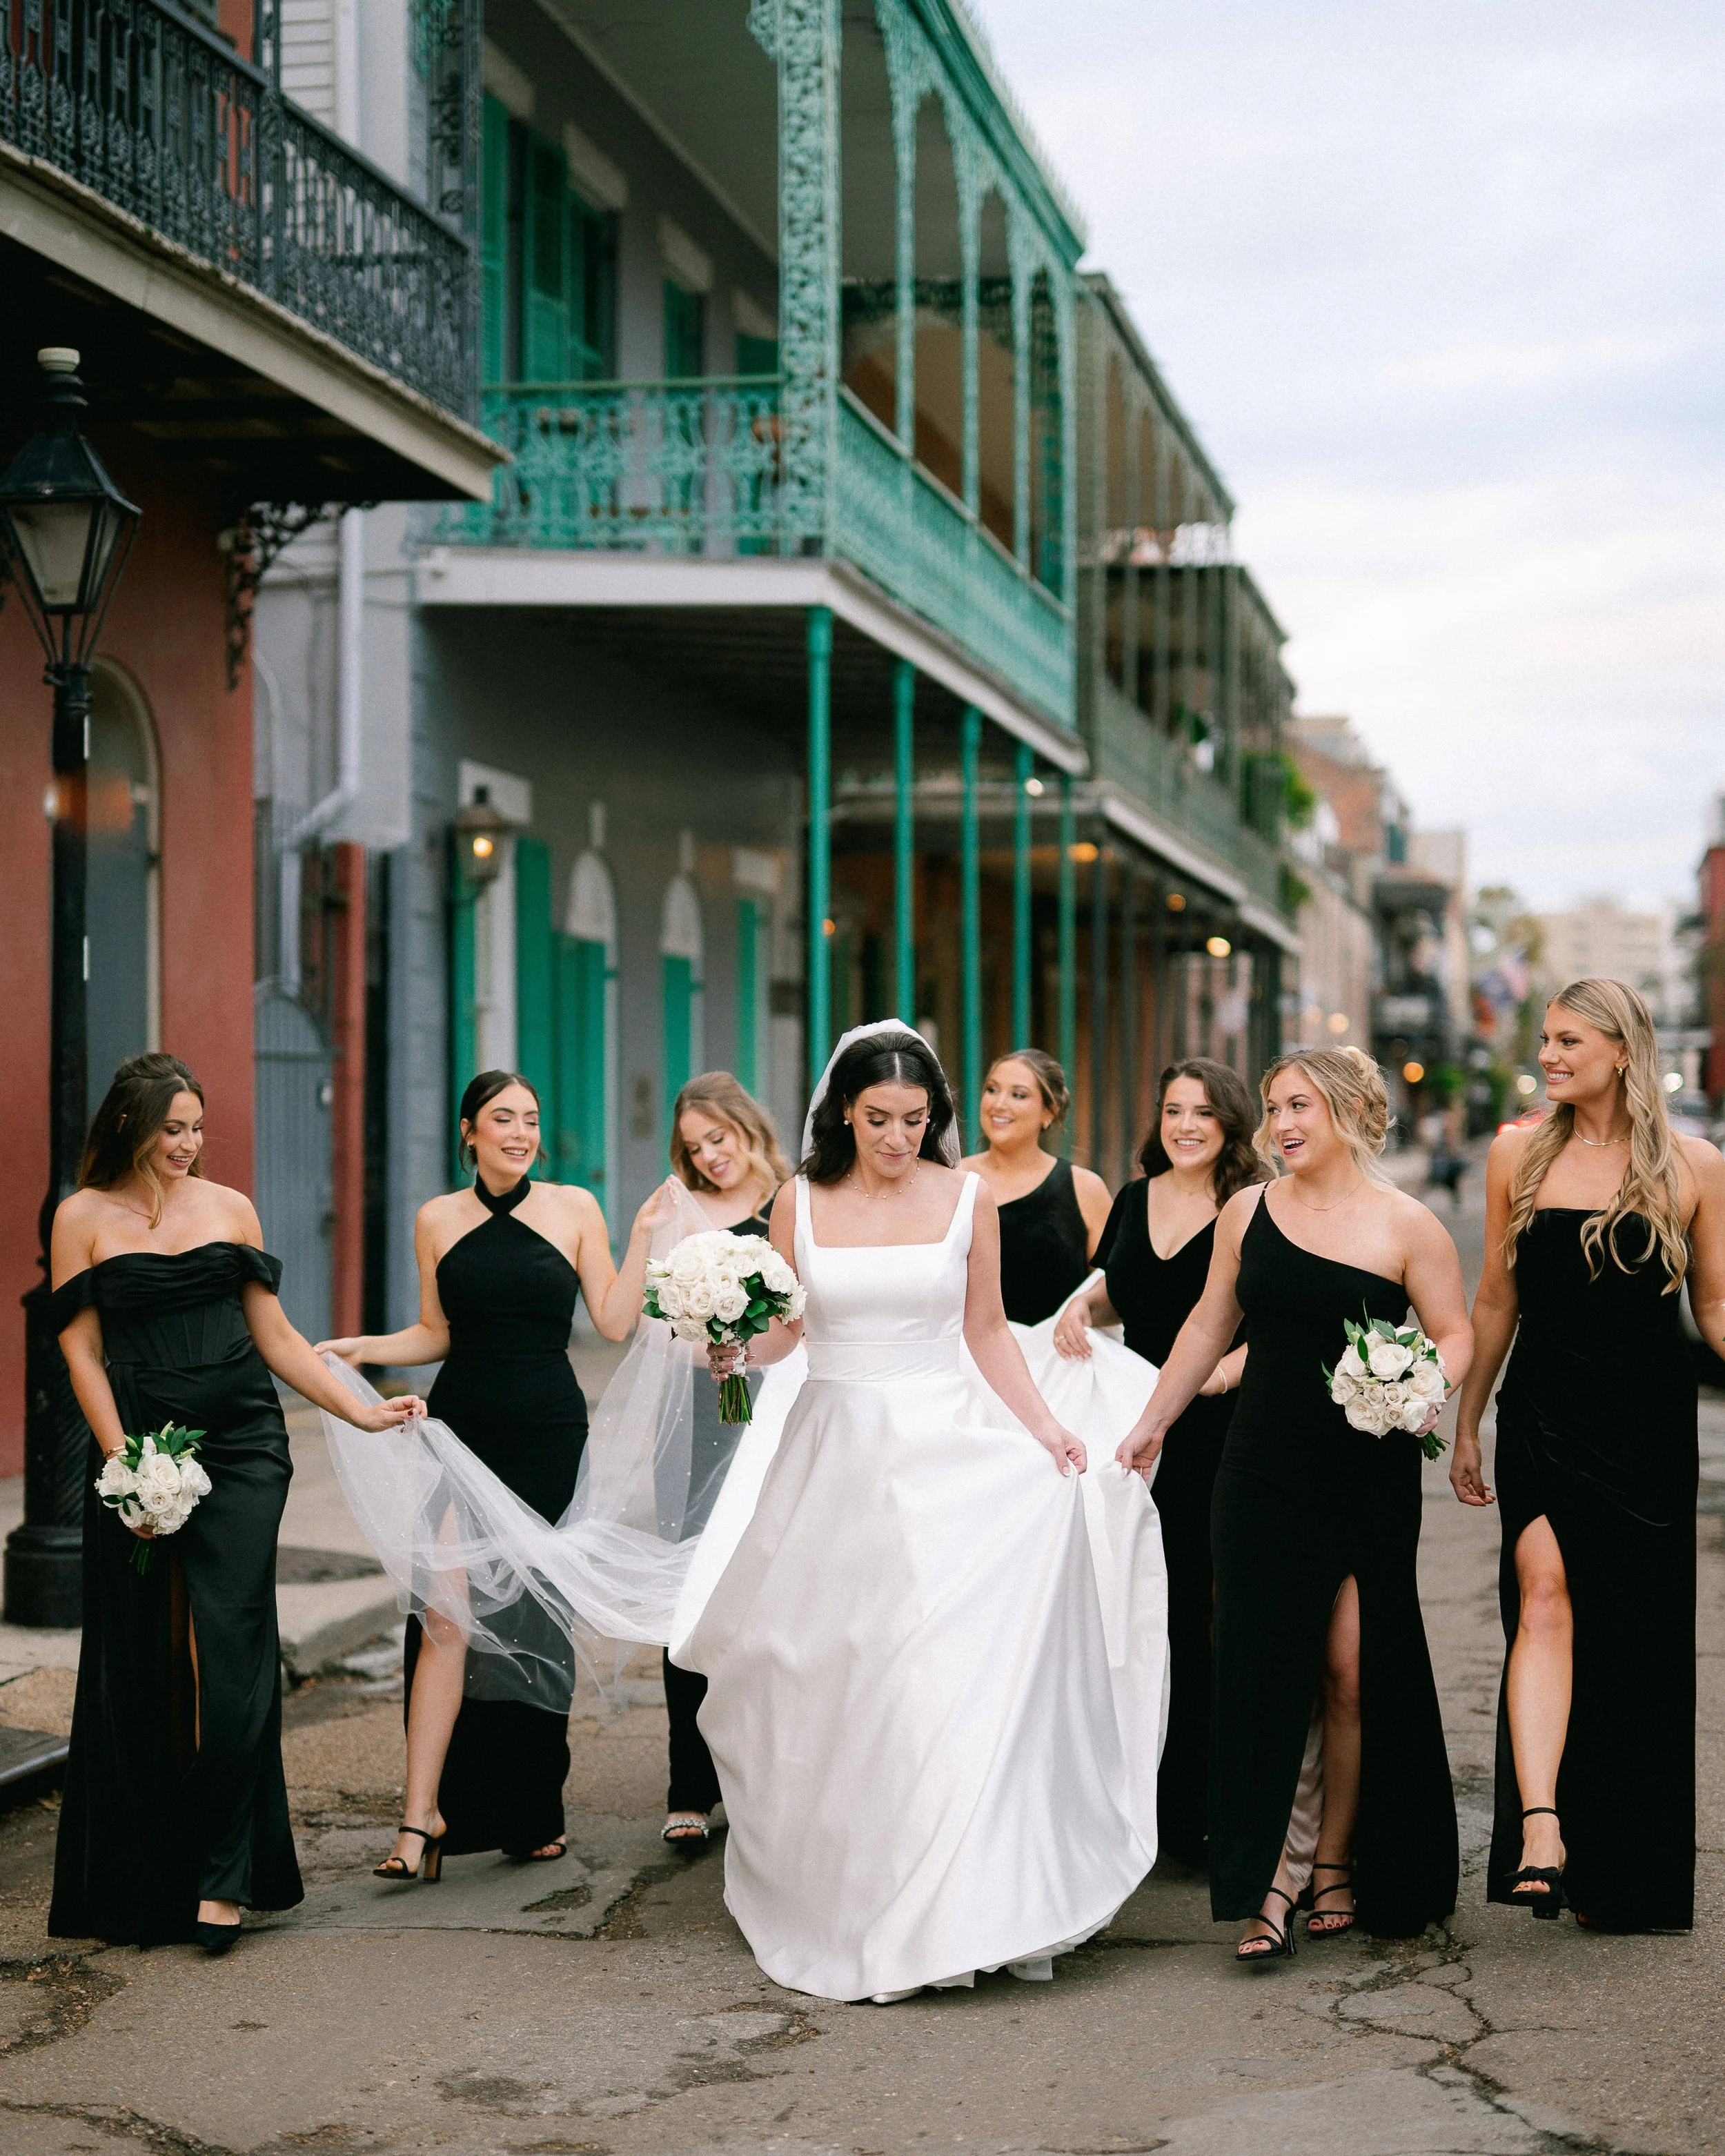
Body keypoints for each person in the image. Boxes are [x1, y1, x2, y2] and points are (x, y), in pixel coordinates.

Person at [680, 1024, 1167, 2004]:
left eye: (915, 1121)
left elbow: (985, 1329)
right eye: (878, 1121)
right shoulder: (799, 1202)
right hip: (835, 1454)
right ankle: (858, 1888)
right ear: (843, 1115)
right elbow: (787, 1334)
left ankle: (965, 1899)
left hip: (948, 1447)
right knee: (840, 1671)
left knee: (940, 1672)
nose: (898, 1139)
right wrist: (731, 1349)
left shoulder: (969, 1198)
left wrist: (1044, 1431)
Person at [48, 1054, 422, 1954]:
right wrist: (126, 1466)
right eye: (172, 1128)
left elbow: (280, 1337)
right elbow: (82, 1350)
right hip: (141, 1451)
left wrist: (360, 1409)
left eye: (197, 1127)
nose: (188, 1144)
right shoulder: (79, 1217)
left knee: (234, 1650)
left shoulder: (230, 1208)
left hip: (247, 1448)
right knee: (143, 1658)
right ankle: (145, 1876)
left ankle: (226, 1874)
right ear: (132, 1126)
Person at [1118, 1047, 1472, 1959]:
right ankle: (1273, 1877)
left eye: (1300, 1105)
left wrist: (1421, 1384)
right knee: (1264, 1669)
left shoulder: (1407, 1225)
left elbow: (1456, 1332)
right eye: (1274, 1106)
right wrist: (1154, 1417)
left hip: (1368, 1472)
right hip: (1262, 1468)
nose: (1282, 1123)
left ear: (1351, 1110)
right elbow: (1209, 1324)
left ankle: (1338, 1860)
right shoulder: (1249, 1211)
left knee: (1351, 1673)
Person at [318, 1071, 654, 1879]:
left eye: (531, 1119)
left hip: (546, 1432)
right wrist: (361, 1348)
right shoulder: (435, 1217)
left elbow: (610, 1318)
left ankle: (532, 1808)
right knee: (445, 1617)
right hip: (458, 1431)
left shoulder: (575, 1207)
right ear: (468, 1129)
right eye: (503, 1118)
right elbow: (437, 1331)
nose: (520, 1131)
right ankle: (418, 1818)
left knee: (535, 1624)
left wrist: (645, 1233)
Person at [1452, 979, 1725, 1931]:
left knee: (1636, 1642)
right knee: (1546, 1595)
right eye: (1546, 1039)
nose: (1550, 1054)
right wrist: (1467, 1417)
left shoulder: (1695, 1165)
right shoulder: (1517, 1153)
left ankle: (1629, 1867)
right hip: (1545, 1414)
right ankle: (1541, 1827)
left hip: (1649, 1427)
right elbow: (1495, 1298)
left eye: (1570, 1039)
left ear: (1622, 1049)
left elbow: (1717, 1308)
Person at [1054, 1057, 1264, 1867]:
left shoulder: (1252, 1205)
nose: (1184, 1125)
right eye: (1173, 1108)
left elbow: (1271, 1318)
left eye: (1203, 1112)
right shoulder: (1136, 1198)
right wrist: (1081, 1305)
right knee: (1151, 1612)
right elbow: (1125, 1289)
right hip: (1141, 1430)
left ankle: (1220, 1805)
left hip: (1223, 1427)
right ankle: (1157, 1805)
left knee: (1215, 1614)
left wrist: (1217, 1373)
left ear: (1229, 1124)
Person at [655, 1074, 790, 1850]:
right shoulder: (682, 1213)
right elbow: (655, 1320)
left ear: (746, 1126)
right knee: (690, 1592)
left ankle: (764, 1771)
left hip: (775, 1411)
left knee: (771, 1593)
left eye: (720, 1138)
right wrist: (699, 1336)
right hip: (702, 1417)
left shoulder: (793, 1205)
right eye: (695, 1146)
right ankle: (689, 1783)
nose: (710, 1157)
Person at [962, 1051, 1112, 1324]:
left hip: (1057, 1358)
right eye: (992, 1090)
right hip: (964, 1359)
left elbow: (1116, 1284)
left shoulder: (1085, 1188)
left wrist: (1085, 1305)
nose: (999, 1104)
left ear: (1049, 1111)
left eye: (1018, 1095)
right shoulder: (951, 1178)